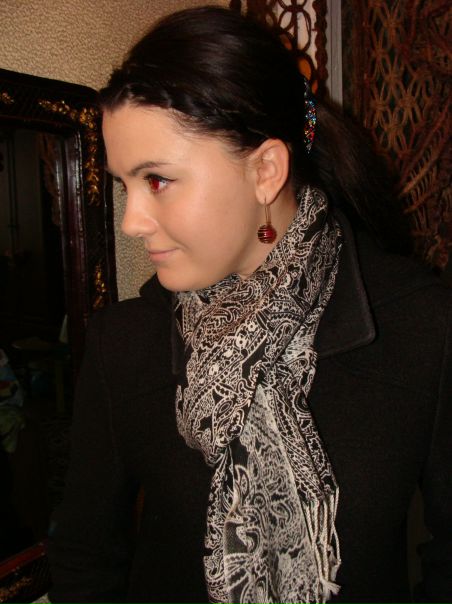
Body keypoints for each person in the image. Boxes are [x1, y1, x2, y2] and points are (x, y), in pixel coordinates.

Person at [47, 6, 452, 604]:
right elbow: (84, 559)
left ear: (265, 170)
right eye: (123, 184)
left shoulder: (422, 326)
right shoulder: (123, 344)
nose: (132, 221)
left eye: (156, 180)